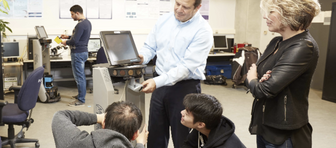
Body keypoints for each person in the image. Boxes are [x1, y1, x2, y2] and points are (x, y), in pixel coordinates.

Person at [137, 0, 213, 147]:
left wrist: (157, 82)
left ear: (198, 8)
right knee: (155, 135)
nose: (179, 9)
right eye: (177, 3)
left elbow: (185, 68)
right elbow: (149, 47)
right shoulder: (163, 20)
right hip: (159, 87)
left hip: (185, 89)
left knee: (183, 138)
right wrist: (142, 57)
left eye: (185, 7)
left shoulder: (203, 31)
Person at [246, 0, 320, 147]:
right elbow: (259, 75)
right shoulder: (276, 42)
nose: (265, 17)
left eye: (271, 12)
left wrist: (253, 78)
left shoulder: (303, 46)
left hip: (283, 133)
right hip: (264, 123)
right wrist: (260, 79)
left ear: (290, 14)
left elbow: (263, 89)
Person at [52, 101, 149, 148]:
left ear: (103, 124)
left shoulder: (74, 142)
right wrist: (140, 144)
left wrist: (97, 117)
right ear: (135, 135)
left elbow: (60, 115)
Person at [180, 93, 245, 148]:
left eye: (186, 114)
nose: (182, 112)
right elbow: (188, 145)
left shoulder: (226, 145)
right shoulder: (204, 127)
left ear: (200, 124)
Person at [61, 5, 92, 107]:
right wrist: (68, 36)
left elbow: (75, 41)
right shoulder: (87, 23)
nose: (72, 16)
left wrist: (65, 42)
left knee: (79, 77)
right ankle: (80, 95)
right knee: (80, 76)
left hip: (78, 53)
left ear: (77, 13)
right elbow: (80, 37)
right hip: (83, 52)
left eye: (72, 14)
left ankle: (81, 100)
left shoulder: (80, 25)